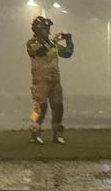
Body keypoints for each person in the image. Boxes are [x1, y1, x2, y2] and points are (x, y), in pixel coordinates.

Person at [27, 15, 75, 144]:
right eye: (45, 28)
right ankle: (34, 131)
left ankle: (57, 133)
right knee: (40, 108)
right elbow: (41, 52)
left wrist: (69, 40)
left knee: (58, 107)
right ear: (38, 30)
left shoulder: (52, 44)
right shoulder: (32, 43)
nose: (48, 31)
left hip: (55, 80)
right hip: (40, 81)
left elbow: (67, 53)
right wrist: (51, 41)